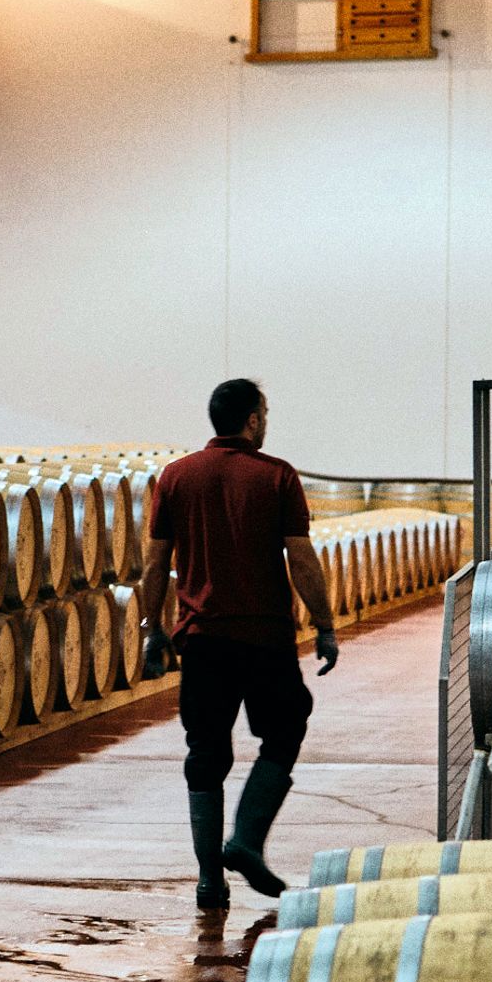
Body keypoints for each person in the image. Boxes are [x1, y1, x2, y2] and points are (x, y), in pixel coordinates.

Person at [141, 379, 338, 909]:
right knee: (286, 727)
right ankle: (247, 840)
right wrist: (324, 624)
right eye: (265, 412)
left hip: (202, 639)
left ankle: (210, 879)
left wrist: (151, 629)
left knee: (206, 752)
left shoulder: (176, 477)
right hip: (264, 637)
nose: (267, 420)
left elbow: (156, 564)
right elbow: (301, 559)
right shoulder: (277, 476)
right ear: (251, 421)